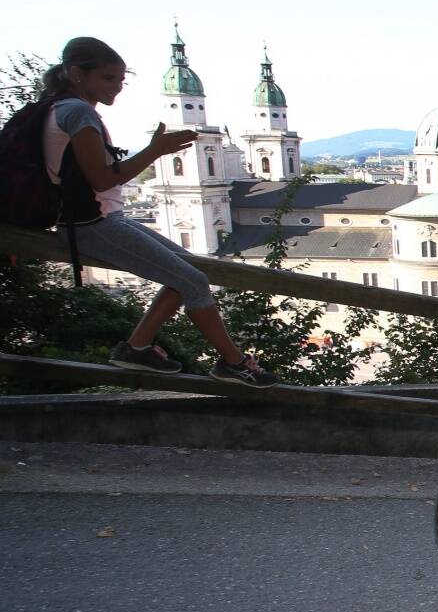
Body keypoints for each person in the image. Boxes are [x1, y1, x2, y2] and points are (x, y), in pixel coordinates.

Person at [40, 37, 277, 387]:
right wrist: (155, 151)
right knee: (194, 279)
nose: (117, 87)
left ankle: (137, 346)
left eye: (121, 80)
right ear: (77, 74)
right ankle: (234, 361)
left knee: (191, 269)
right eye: (108, 78)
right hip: (91, 223)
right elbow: (103, 179)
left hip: (96, 218)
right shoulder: (77, 112)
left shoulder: (57, 107)